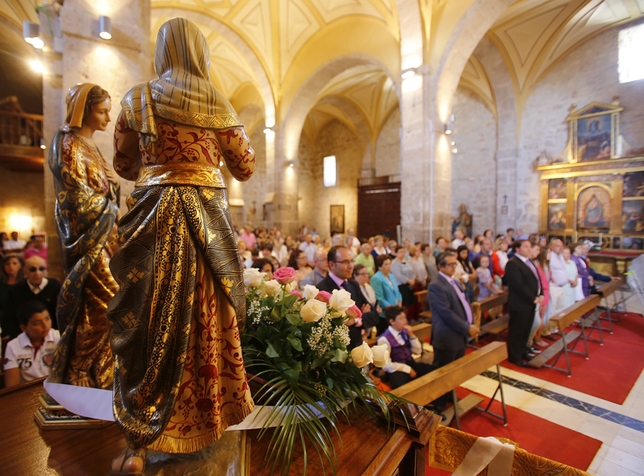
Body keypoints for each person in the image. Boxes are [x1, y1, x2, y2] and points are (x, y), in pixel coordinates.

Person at [107, 18, 255, 473]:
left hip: (153, 220)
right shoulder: (220, 103)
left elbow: (123, 162)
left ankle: (142, 433)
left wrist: (160, 165)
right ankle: (209, 421)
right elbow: (245, 166)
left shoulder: (138, 97)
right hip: (206, 223)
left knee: (148, 320)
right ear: (200, 52)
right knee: (205, 318)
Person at [46, 82, 120, 390]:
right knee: (109, 299)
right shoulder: (67, 143)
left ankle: (99, 373)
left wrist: (113, 188)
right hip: (88, 240)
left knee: (104, 304)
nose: (107, 118)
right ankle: (77, 372)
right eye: (102, 111)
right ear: (84, 110)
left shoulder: (93, 148)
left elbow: (105, 190)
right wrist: (108, 202)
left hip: (105, 238)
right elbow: (74, 196)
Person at [316, 246, 379, 349]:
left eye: (352, 261)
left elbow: (374, 314)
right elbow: (327, 326)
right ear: (332, 264)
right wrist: (359, 316)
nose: (351, 266)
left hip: (357, 345)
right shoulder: (322, 290)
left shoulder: (353, 284)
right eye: (345, 262)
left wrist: (357, 320)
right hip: (337, 350)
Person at [428, 251, 480, 369]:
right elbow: (446, 313)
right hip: (448, 337)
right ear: (440, 266)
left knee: (456, 372)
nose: (454, 267)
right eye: (450, 264)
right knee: (444, 375)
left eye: (455, 264)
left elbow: (463, 302)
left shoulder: (454, 281)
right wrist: (467, 328)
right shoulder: (436, 285)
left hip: (459, 334)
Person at [503, 240, 543, 366]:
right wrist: (532, 298)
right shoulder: (513, 263)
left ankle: (523, 351)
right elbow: (518, 285)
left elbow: (537, 279)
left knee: (526, 329)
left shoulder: (528, 261)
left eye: (530, 247)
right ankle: (515, 356)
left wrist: (540, 293)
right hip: (520, 303)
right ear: (517, 249)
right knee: (517, 331)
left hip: (530, 302)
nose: (529, 249)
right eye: (526, 247)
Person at [3, 301, 61, 388]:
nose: (45, 325)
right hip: (27, 393)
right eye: (37, 323)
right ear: (24, 328)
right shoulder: (13, 346)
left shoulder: (60, 338)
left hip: (55, 389)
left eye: (47, 318)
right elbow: (12, 387)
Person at [376, 306, 434, 389]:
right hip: (396, 369)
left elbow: (418, 351)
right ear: (392, 321)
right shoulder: (384, 339)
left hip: (411, 363)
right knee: (404, 387)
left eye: (405, 318)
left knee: (434, 371)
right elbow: (386, 365)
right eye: (401, 318)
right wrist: (408, 369)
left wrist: (411, 335)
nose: (405, 321)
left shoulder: (405, 332)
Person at [6, 256, 61, 339]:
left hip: (52, 336)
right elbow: (11, 317)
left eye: (41, 269)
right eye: (32, 269)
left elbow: (61, 314)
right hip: (24, 336)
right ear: (25, 271)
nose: (37, 273)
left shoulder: (56, 286)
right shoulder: (15, 290)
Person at [371, 254, 403, 334]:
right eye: (386, 264)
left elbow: (397, 291)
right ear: (379, 266)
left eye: (390, 264)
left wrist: (399, 302)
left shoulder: (391, 276)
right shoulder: (376, 278)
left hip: (395, 310)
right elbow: (379, 298)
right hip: (385, 314)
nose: (389, 266)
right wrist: (391, 309)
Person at [548, 239, 569, 316]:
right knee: (551, 310)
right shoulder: (549, 256)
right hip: (553, 287)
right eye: (557, 246)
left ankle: (556, 328)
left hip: (562, 287)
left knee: (560, 310)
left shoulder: (561, 256)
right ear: (551, 247)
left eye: (562, 246)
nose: (560, 248)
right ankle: (549, 328)